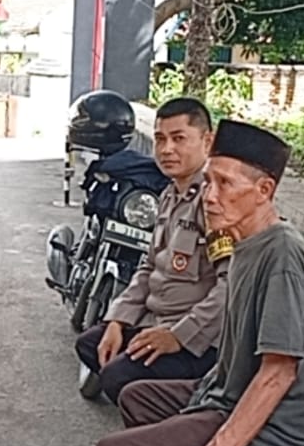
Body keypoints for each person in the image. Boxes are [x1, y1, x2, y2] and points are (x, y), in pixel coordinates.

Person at [93, 117, 304, 446]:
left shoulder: (283, 257)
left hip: (279, 425)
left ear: (264, 191)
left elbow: (278, 374)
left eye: (225, 184)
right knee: (136, 395)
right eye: (208, 182)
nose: (210, 195)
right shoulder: (243, 242)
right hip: (225, 392)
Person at [75, 97, 226, 404]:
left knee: (117, 377)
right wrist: (118, 321)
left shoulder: (215, 202)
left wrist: (178, 337)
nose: (167, 149)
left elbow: (231, 287)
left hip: (199, 341)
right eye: (160, 139)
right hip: (156, 321)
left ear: (207, 142)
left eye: (179, 138)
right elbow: (148, 266)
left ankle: (182, 411)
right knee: (90, 344)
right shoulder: (169, 195)